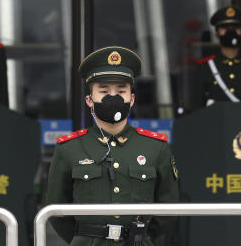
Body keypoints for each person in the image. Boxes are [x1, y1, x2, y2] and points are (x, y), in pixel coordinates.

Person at [46, 46, 179, 246]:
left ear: (132, 99)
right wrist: (85, 238)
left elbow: (168, 209)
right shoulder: (69, 148)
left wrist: (141, 237)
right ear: (90, 100)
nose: (113, 97)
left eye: (121, 91)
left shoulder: (156, 147)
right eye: (104, 91)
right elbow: (56, 212)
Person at [194, 5, 241, 107]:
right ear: (217, 34)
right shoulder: (205, 67)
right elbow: (197, 108)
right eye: (224, 28)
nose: (230, 32)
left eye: (236, 28)